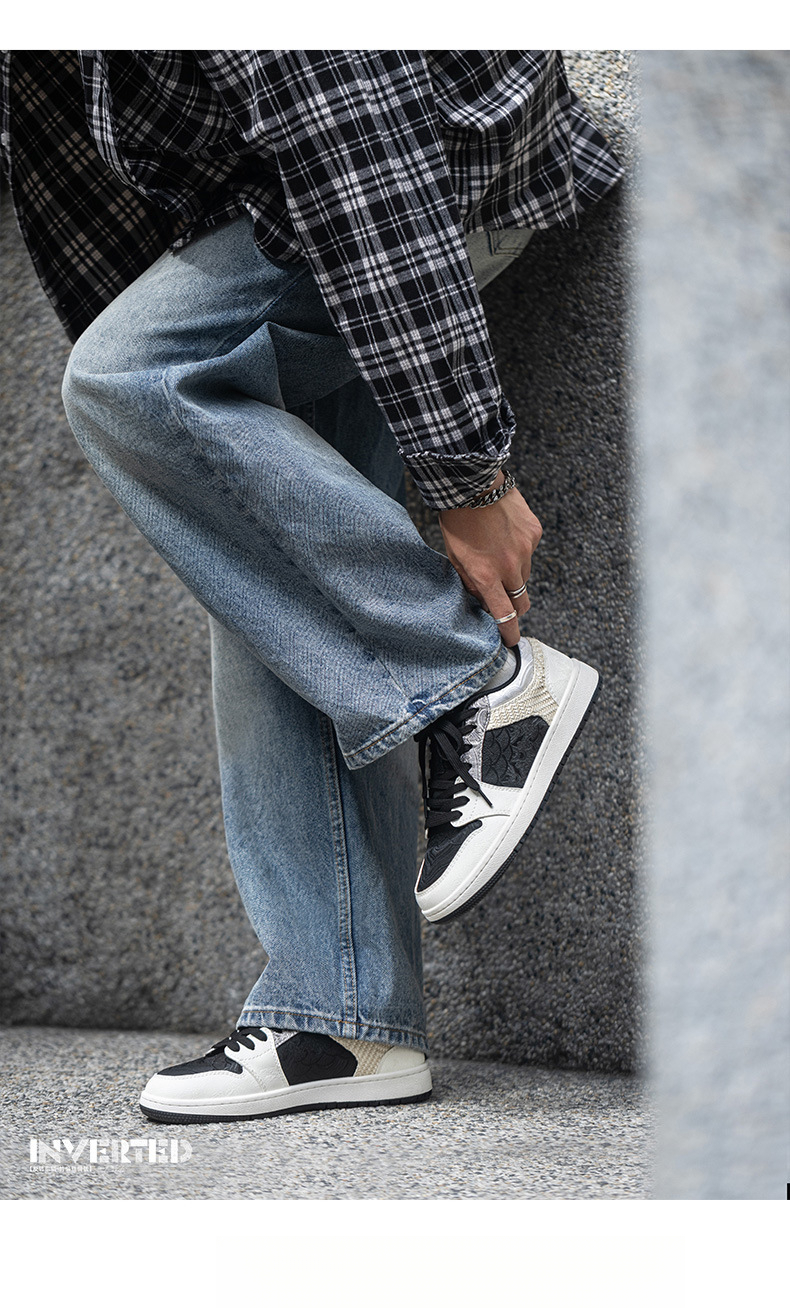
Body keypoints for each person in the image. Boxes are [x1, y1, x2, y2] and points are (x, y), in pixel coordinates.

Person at [1, 50, 623, 1122]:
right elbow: (77, 176)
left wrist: (467, 474)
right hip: (282, 203)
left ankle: (479, 686)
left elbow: (359, 143)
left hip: (416, 172)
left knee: (134, 375)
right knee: (272, 572)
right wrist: (198, 462)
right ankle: (343, 1019)